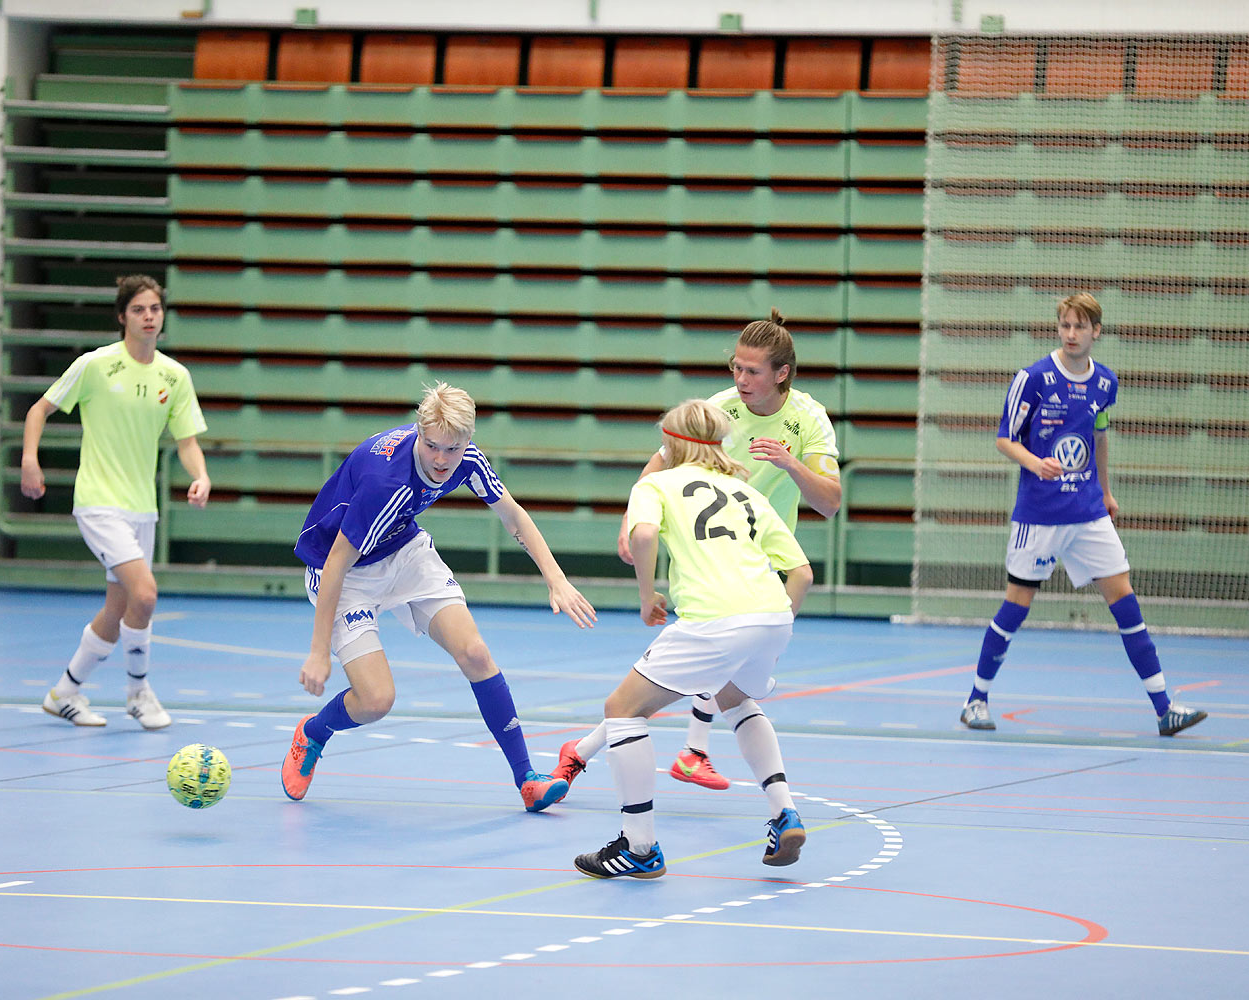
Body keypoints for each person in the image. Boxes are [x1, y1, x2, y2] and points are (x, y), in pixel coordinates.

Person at [554, 308, 840, 793]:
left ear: (782, 374)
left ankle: (658, 753)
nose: (741, 379)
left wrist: (791, 464)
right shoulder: (720, 409)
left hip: (764, 557)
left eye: (752, 371)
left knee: (702, 673)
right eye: (736, 367)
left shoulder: (808, 420)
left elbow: (829, 503)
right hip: (712, 555)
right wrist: (631, 519)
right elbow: (660, 463)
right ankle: (688, 753)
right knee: (713, 677)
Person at [280, 382, 598, 812]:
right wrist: (319, 653)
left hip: (403, 550)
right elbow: (337, 562)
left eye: (453, 448)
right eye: (432, 447)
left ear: (467, 439)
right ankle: (314, 733)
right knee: (376, 701)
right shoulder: (384, 481)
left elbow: (513, 514)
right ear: (418, 432)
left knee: (476, 653)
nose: (441, 460)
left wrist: (555, 578)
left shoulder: (467, 458)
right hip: (344, 571)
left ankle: (527, 779)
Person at [574, 399, 813, 879]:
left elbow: (642, 536)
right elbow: (802, 573)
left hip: (712, 619)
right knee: (736, 698)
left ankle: (639, 849)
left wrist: (647, 597)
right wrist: (767, 623)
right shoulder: (746, 492)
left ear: (670, 443)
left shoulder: (656, 483)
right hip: (772, 614)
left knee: (622, 710)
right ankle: (784, 810)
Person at [959, 292, 1207, 737]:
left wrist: (1106, 492)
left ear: (1096, 331)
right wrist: (1035, 463)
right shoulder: (1033, 378)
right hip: (1040, 515)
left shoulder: (1106, 383)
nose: (1070, 334)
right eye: (1065, 325)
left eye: (1079, 326)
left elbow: (1099, 436)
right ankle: (976, 699)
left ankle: (1165, 708)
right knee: (1017, 606)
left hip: (1088, 510)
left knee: (1125, 600)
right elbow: (1004, 438)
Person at [21, 274, 210, 730]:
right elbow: (38, 409)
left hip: (142, 507)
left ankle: (64, 692)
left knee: (117, 608)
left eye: (155, 309)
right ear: (122, 316)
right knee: (144, 595)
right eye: (140, 309)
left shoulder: (174, 376)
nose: (149, 317)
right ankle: (138, 693)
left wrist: (200, 474)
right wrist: (30, 459)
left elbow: (186, 441)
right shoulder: (96, 365)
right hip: (98, 501)